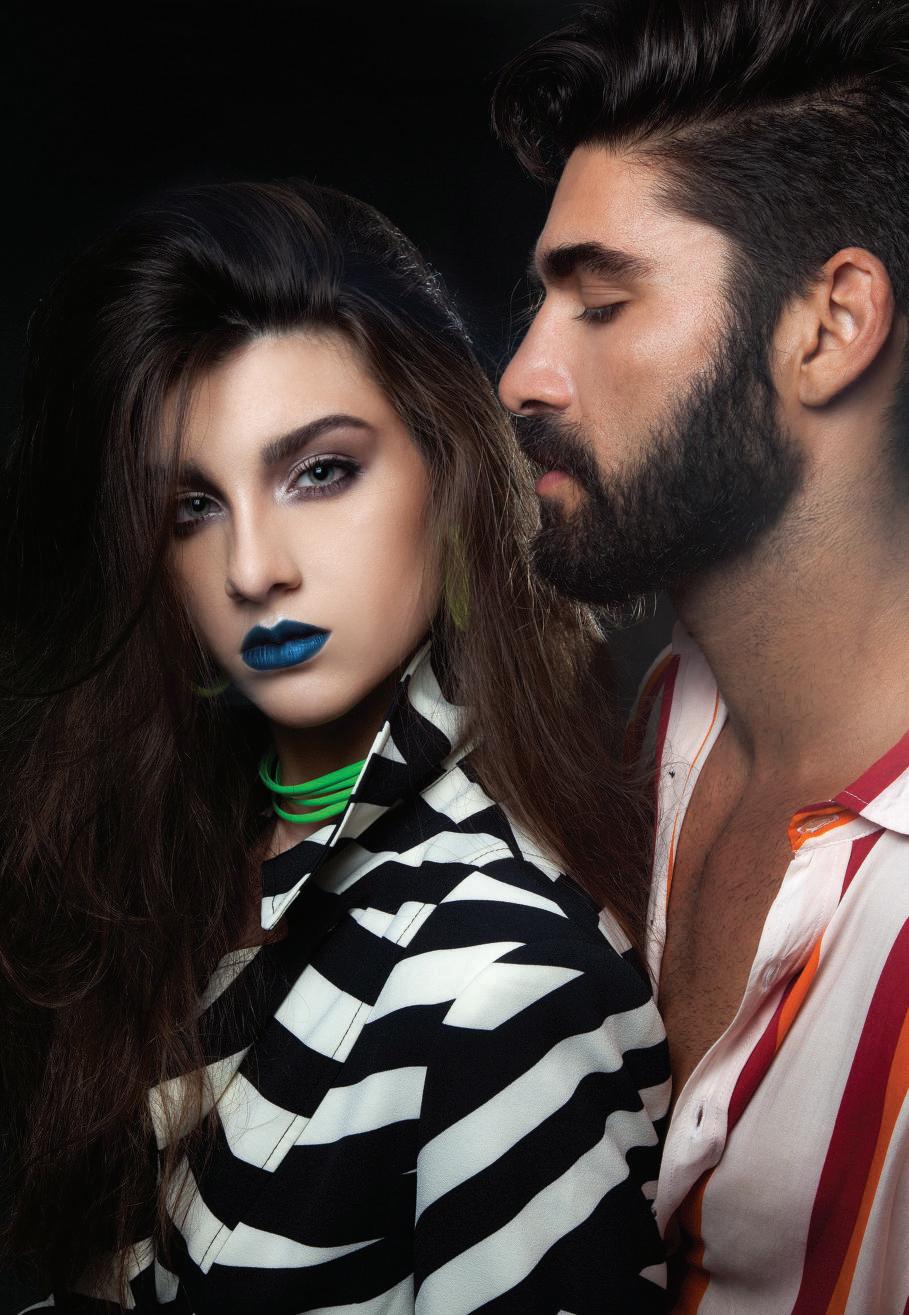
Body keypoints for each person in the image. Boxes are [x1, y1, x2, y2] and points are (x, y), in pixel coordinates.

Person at [0, 180, 669, 1313]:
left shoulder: (499, 979)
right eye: (193, 506)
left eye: (320, 471)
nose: (254, 568)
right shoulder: (181, 858)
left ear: (449, 472)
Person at [494, 1, 909, 1311]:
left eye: (601, 303)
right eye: (541, 301)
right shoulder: (665, 718)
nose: (522, 375)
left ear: (827, 326)